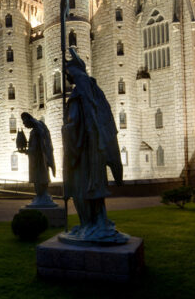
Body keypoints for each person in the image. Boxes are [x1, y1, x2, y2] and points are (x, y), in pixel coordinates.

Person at [60, 48, 129, 244]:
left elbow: (75, 123)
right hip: (94, 149)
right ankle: (96, 223)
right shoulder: (94, 91)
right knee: (93, 190)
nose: (66, 77)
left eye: (67, 73)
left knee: (82, 190)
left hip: (84, 154)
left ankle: (90, 225)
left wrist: (65, 129)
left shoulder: (79, 93)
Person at [21, 112, 56, 207]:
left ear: (29, 120)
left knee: (39, 179)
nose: (24, 125)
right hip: (40, 161)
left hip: (38, 162)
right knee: (41, 178)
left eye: (24, 122)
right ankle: (41, 196)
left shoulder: (36, 131)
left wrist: (25, 151)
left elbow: (35, 148)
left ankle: (41, 197)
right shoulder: (39, 128)